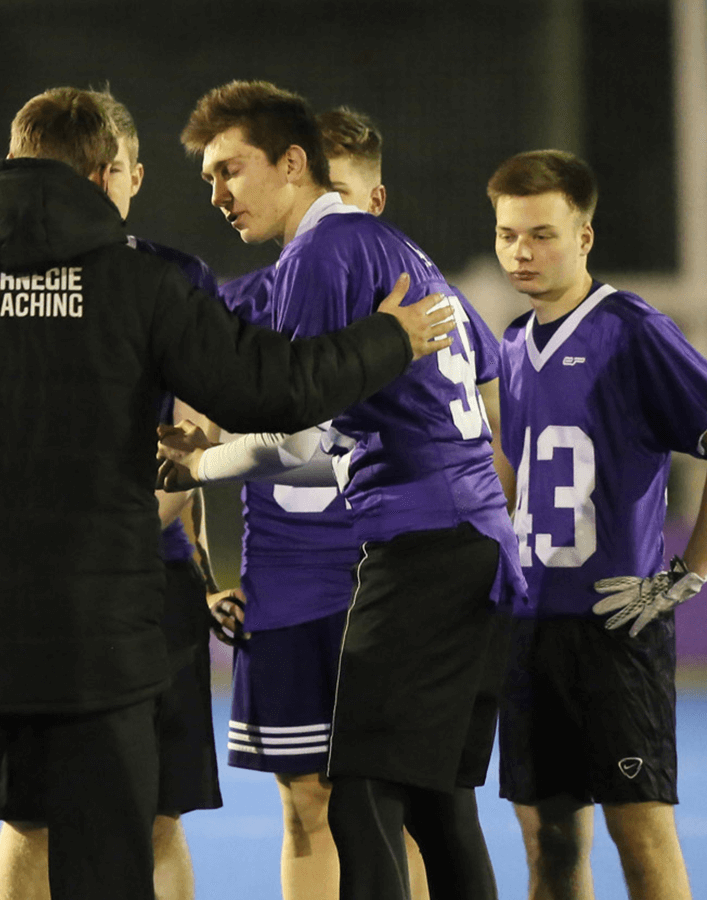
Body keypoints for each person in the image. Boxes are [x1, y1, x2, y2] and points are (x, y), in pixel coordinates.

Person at [0, 86, 458, 900]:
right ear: (101, 172)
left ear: (11, 164)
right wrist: (387, 336)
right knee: (107, 866)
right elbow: (275, 388)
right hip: (100, 639)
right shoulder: (141, 285)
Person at [176, 80, 519, 900]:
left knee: (361, 790)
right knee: (436, 805)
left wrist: (199, 467)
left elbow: (299, 438)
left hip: (421, 541)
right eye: (208, 179)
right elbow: (488, 392)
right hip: (472, 540)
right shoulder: (403, 250)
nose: (218, 195)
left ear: (294, 165)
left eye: (231, 170)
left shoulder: (321, 253)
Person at [488, 150, 707, 900]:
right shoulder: (510, 342)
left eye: (541, 233)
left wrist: (686, 573)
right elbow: (508, 477)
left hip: (614, 625)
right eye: (509, 233)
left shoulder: (630, 329)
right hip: (527, 624)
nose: (521, 250)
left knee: (639, 834)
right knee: (549, 845)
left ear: (584, 236)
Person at [0, 87, 222, 900]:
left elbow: (191, 445)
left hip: (146, 585)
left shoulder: (176, 280)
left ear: (132, 176)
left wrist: (115, 546)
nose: (92, 186)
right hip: (26, 589)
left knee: (157, 813)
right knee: (32, 814)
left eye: (106, 169)